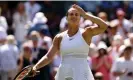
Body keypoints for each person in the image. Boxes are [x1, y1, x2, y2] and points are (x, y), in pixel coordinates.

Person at [31, 4, 107, 80]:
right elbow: (48, 56)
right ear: (67, 18)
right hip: (64, 74)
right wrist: (35, 67)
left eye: (77, 14)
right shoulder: (59, 37)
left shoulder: (86, 33)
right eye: (71, 14)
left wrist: (86, 15)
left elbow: (104, 26)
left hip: (82, 74)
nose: (74, 16)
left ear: (80, 18)